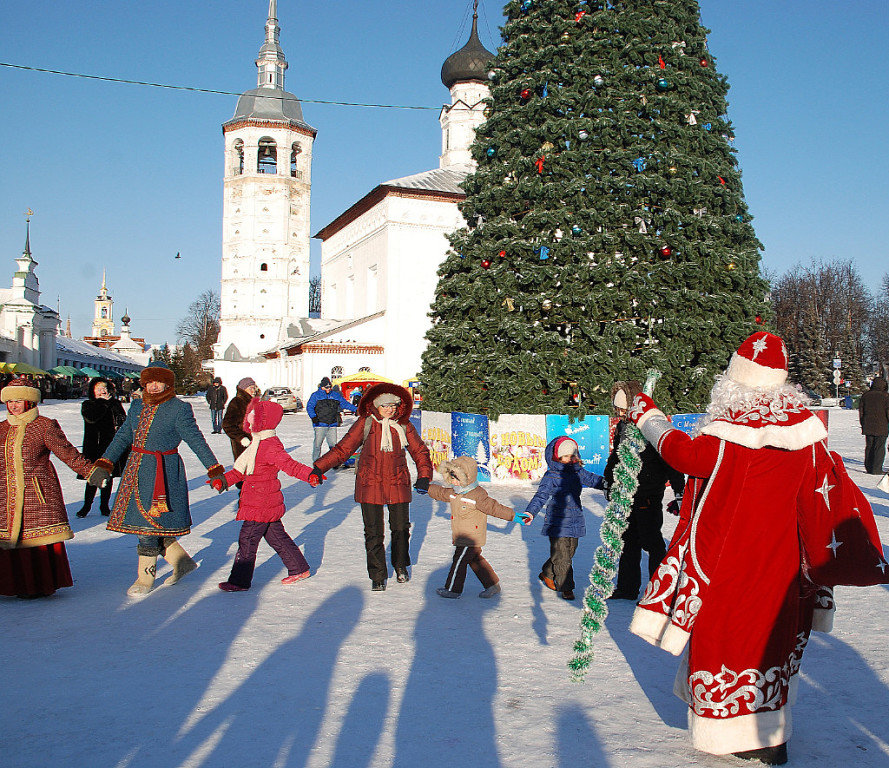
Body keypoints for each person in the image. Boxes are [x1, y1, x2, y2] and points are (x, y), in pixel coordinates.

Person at [625, 331, 889, 765]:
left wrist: (646, 413)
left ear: (736, 381)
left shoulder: (728, 434)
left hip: (728, 564)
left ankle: (737, 737)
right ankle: (772, 736)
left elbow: (682, 453)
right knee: (773, 643)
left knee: (728, 644)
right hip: (784, 564)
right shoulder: (807, 439)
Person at [88, 362, 226, 597]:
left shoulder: (178, 408)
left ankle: (145, 576)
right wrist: (104, 463)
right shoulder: (137, 406)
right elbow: (122, 437)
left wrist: (213, 469)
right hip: (136, 470)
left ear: (167, 384)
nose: (153, 386)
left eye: (158, 381)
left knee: (149, 525)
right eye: (149, 382)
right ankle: (182, 562)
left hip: (162, 472)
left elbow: (195, 440)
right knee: (149, 524)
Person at [311, 383, 432, 591]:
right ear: (376, 406)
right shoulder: (365, 423)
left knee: (401, 529)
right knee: (374, 532)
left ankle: (401, 565)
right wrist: (319, 467)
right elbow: (343, 449)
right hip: (370, 482)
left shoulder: (403, 426)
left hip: (397, 481)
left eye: (393, 406)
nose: (390, 410)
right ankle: (377, 574)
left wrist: (424, 475)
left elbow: (419, 451)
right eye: (385, 406)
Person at [0, 377, 104, 598]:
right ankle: (10, 585)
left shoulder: (44, 426)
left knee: (34, 543)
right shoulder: (2, 428)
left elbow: (67, 453)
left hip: (37, 494)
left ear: (30, 402)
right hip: (6, 495)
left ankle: (37, 585)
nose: (13, 406)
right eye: (10, 401)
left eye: (18, 401)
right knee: (8, 541)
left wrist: (91, 472)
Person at [215, 398, 323, 592]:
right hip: (258, 499)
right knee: (276, 536)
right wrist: (223, 480)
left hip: (262, 502)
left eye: (252, 416)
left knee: (247, 539)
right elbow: (240, 471)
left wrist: (310, 475)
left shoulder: (270, 445)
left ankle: (239, 581)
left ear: (262, 421)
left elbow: (290, 465)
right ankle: (299, 568)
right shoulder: (256, 443)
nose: (248, 419)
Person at [605, 380, 685, 600]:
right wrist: (609, 481)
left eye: (622, 408)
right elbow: (616, 457)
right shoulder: (623, 427)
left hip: (648, 494)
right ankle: (627, 588)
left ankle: (658, 590)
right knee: (628, 542)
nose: (619, 413)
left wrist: (680, 492)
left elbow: (671, 460)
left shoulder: (653, 426)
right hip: (626, 496)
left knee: (652, 543)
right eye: (617, 409)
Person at [517, 436, 605, 600]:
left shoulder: (578, 471)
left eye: (573, 456)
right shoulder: (551, 476)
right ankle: (566, 587)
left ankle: (547, 572)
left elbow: (593, 479)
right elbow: (541, 496)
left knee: (568, 552)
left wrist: (607, 483)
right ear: (557, 456)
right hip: (557, 521)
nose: (571, 459)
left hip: (576, 518)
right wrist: (530, 512)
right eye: (566, 456)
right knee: (563, 557)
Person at [428, 455, 515, 599]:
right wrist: (427, 488)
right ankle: (492, 584)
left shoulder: (477, 495)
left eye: (456, 478)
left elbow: (494, 508)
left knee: (459, 560)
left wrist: (513, 516)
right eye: (451, 477)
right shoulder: (455, 492)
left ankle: (453, 589)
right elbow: (441, 493)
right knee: (475, 560)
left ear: (466, 477)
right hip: (462, 534)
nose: (453, 481)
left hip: (471, 536)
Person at [77, 377, 128, 517]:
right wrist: (103, 403)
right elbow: (91, 418)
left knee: (108, 476)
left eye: (104, 388)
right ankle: (87, 506)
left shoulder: (115, 404)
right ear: (93, 391)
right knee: (93, 477)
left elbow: (123, 420)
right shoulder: (88, 404)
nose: (102, 391)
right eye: (98, 389)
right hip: (94, 446)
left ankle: (104, 506)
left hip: (111, 445)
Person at [306, 376, 357, 463]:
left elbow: (345, 404)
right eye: (326, 387)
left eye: (330, 387)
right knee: (318, 444)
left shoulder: (335, 395)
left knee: (333, 445)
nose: (329, 389)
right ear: (322, 387)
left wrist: (357, 410)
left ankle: (333, 461)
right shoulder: (315, 395)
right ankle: (316, 461)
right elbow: (309, 407)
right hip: (320, 424)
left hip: (332, 423)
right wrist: (313, 417)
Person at [222, 377, 260, 464]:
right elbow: (227, 425)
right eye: (251, 388)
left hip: (258, 443)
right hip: (243, 446)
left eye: (255, 387)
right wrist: (241, 438)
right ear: (244, 389)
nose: (254, 390)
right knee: (244, 472)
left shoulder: (256, 402)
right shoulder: (236, 402)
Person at [858, 376, 889, 474]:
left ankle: (869, 467)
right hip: (882, 426)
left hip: (868, 426)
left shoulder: (866, 395)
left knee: (869, 446)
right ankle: (877, 469)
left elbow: (861, 412)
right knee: (879, 447)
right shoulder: (886, 396)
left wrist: (863, 423)